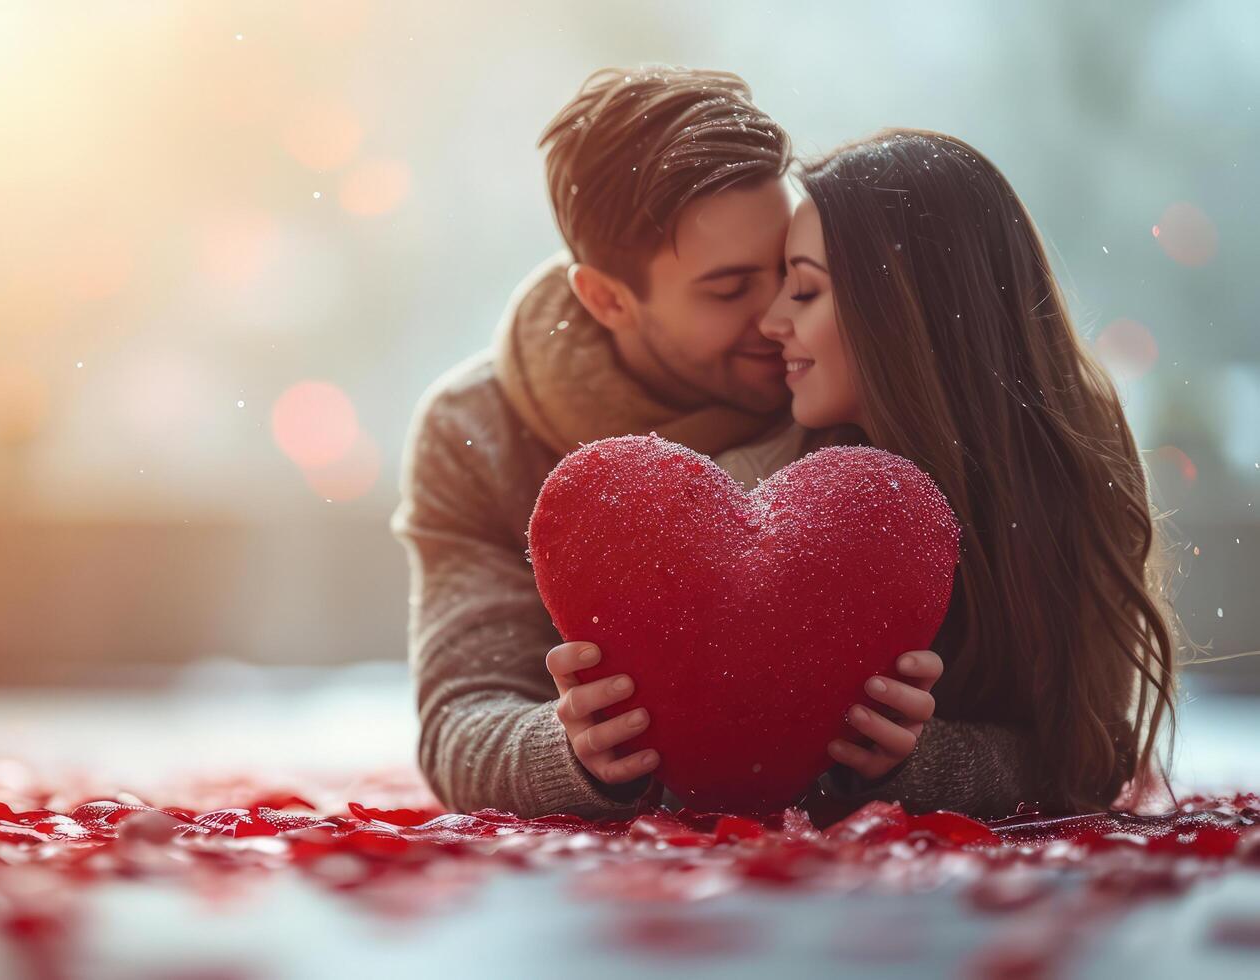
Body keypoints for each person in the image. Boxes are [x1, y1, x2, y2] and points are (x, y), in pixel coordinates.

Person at [393, 66, 929, 820]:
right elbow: (460, 722)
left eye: (789, 272)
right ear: (606, 299)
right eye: (727, 288)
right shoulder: (475, 430)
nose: (779, 316)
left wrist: (914, 757)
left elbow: (1064, 733)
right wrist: (570, 750)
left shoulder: (851, 377)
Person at [755, 129, 1177, 814]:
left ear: (901, 312)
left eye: (803, 291)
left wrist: (914, 762)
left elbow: (1085, 752)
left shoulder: (1057, 478)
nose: (769, 320)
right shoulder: (774, 472)